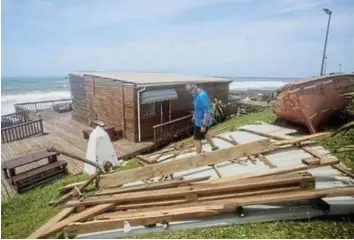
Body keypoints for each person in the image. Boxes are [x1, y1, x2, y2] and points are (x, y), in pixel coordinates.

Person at [185, 83, 219, 154]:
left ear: (195, 86)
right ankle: (213, 147)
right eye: (188, 91)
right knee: (205, 134)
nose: (190, 92)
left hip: (201, 122)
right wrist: (195, 115)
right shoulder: (196, 94)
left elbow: (206, 112)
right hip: (199, 119)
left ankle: (198, 156)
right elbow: (198, 107)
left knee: (197, 140)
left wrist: (203, 125)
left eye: (190, 90)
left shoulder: (201, 96)